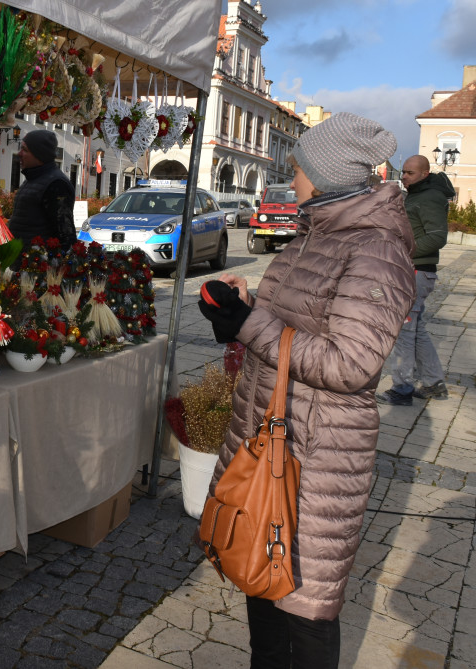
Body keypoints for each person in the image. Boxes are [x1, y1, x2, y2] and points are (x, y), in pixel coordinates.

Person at [197, 112, 417, 668]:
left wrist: (253, 325)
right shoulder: (315, 233)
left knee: (305, 608)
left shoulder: (374, 249)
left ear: (325, 176)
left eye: (298, 169)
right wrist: (243, 308)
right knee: (261, 583)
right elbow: (291, 325)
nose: (291, 178)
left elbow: (351, 364)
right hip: (268, 436)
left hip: (315, 453)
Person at [376, 154, 454, 406]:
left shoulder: (430, 197)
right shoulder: (418, 194)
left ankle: (403, 388)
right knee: (416, 329)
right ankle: (433, 383)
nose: (404, 177)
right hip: (415, 271)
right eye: (403, 172)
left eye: (409, 173)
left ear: (425, 173)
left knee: (404, 331)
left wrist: (403, 252)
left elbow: (437, 237)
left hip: (416, 272)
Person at [6, 130, 77, 249]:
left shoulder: (56, 183)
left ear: (39, 156)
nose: (19, 153)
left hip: (37, 263)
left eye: (25, 150)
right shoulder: (33, 178)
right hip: (22, 261)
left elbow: (65, 234)